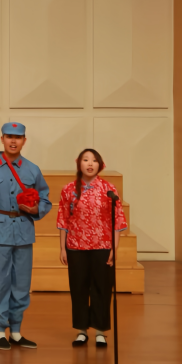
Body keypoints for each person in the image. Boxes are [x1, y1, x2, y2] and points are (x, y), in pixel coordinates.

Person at [0, 122, 51, 350]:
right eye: (9, 136)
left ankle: (16, 331)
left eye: (18, 137)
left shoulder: (32, 169)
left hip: (24, 232)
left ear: (24, 140)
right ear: (2, 139)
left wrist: (35, 209)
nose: (13, 141)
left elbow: (45, 200)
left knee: (21, 284)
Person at [56, 148, 127, 348]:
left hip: (102, 245)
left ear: (100, 165)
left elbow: (117, 219)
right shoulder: (68, 189)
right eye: (86, 159)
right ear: (79, 163)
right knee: (78, 288)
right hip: (75, 246)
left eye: (94, 160)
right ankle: (81, 331)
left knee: (102, 288)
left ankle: (100, 331)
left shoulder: (109, 189)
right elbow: (63, 219)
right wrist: (62, 248)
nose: (90, 163)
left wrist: (114, 248)